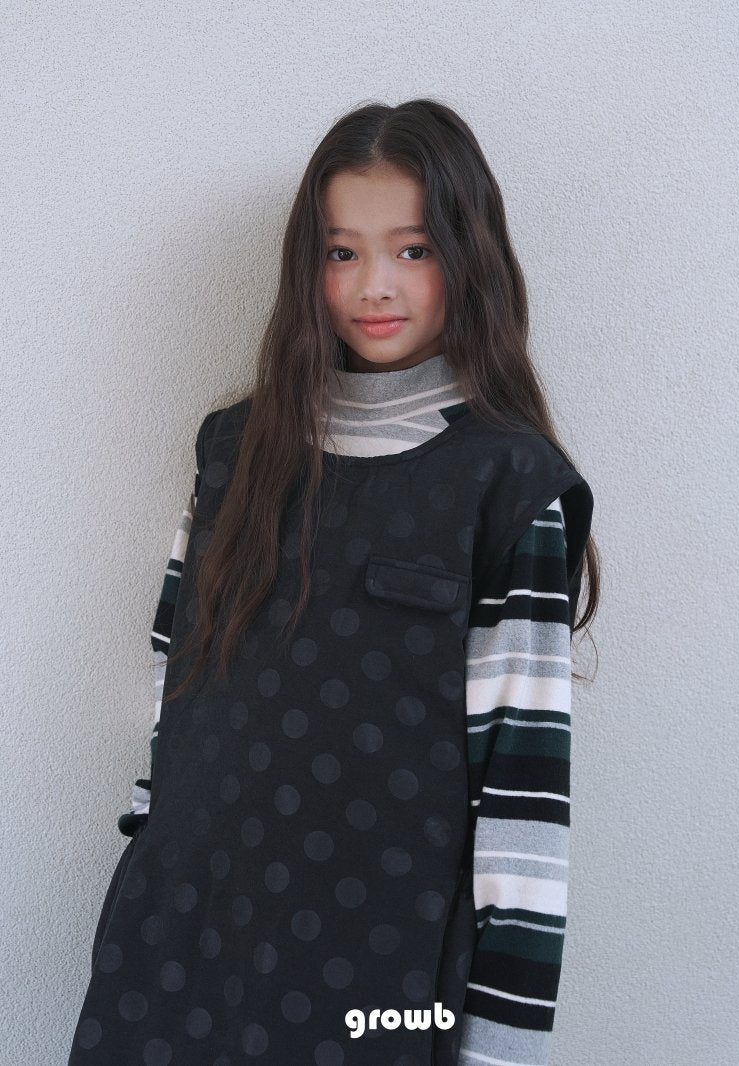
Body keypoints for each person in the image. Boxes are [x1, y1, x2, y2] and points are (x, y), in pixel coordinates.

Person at [68, 97, 599, 1066]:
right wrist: (150, 834)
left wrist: (496, 1048)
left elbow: (523, 802)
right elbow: (170, 673)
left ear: (469, 255)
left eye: (412, 249)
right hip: (176, 950)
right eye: (340, 251)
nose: (373, 285)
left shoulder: (508, 485)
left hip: (382, 981)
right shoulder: (233, 449)